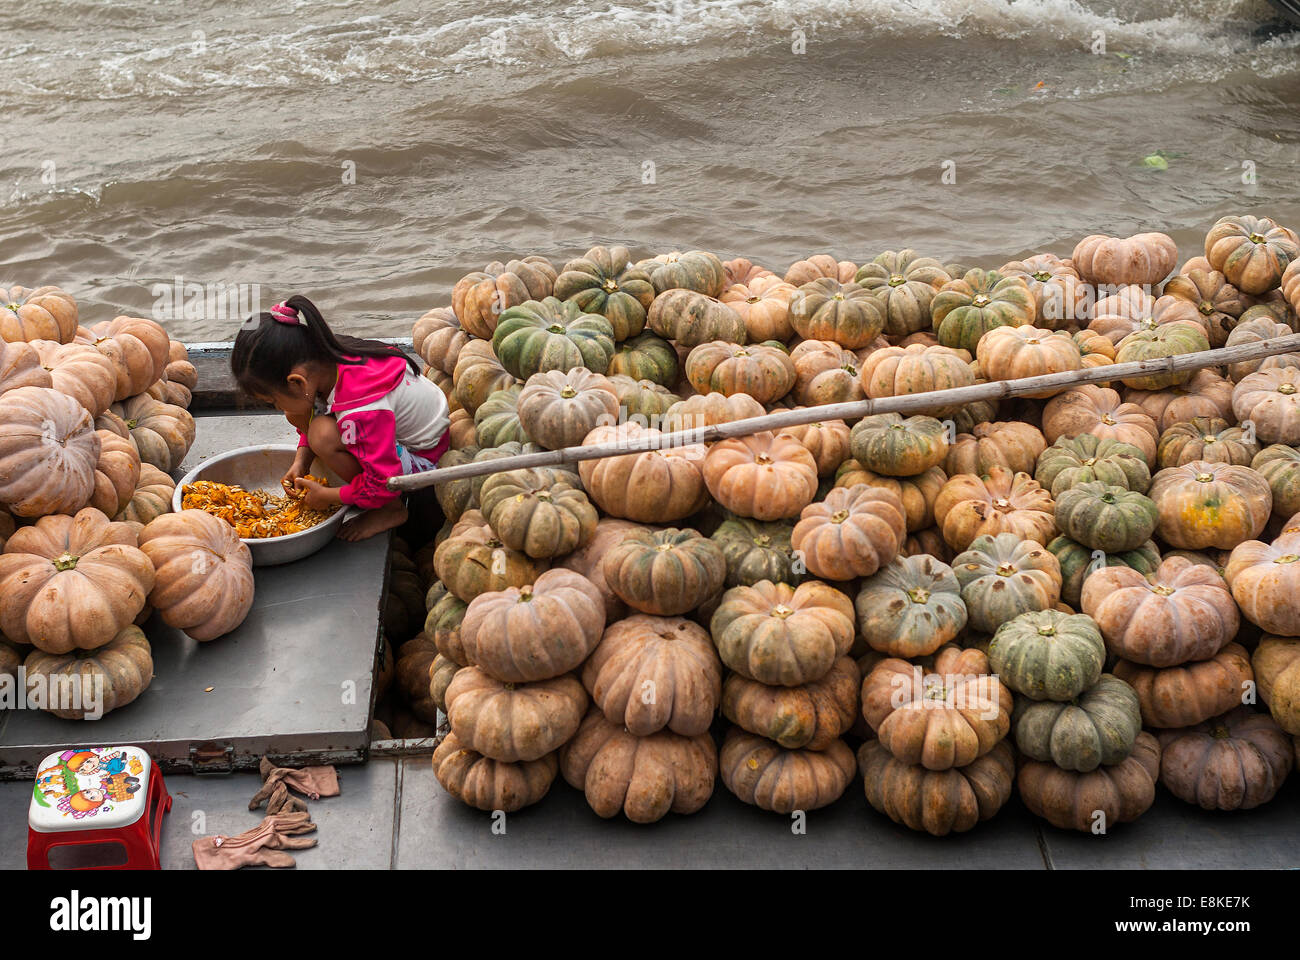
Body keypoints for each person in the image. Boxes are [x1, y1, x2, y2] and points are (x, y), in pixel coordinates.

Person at [231, 295, 449, 540]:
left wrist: (329, 497)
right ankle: (363, 490)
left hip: (426, 460)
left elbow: (385, 481)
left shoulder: (361, 411)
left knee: (322, 435)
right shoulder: (326, 358)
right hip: (393, 429)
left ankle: (390, 509)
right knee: (300, 416)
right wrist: (300, 461)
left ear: (297, 381)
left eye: (273, 401)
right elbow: (318, 408)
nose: (276, 408)